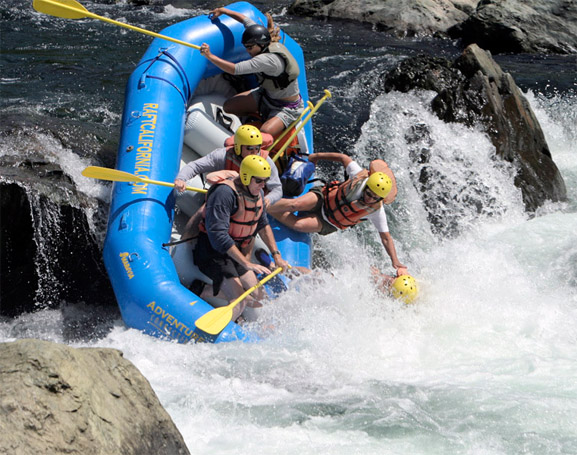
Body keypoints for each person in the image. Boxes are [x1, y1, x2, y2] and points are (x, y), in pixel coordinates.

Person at [268, 152, 410, 276]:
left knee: (298, 225)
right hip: (323, 197)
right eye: (369, 194)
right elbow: (343, 158)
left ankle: (266, 210)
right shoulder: (358, 175)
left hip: (327, 221)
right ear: (366, 186)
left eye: (375, 198)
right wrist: (316, 156)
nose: (370, 199)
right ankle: (263, 203)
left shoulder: (376, 210)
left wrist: (395, 261)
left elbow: (386, 238)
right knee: (295, 204)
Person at [193, 155, 289, 322]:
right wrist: (246, 263)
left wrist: (276, 255)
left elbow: (263, 225)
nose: (263, 185)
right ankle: (221, 334)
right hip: (212, 252)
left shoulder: (257, 193)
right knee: (239, 301)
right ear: (245, 177)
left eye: (265, 181)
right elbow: (218, 236)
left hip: (232, 252)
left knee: (261, 299)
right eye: (259, 181)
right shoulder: (224, 193)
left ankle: (203, 290)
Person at [200, 7, 304, 137]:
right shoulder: (262, 37)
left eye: (249, 47)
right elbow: (245, 20)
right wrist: (223, 10)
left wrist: (209, 56)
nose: (247, 51)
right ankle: (256, 117)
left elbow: (235, 69)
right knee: (228, 107)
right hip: (266, 95)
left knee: (264, 133)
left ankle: (273, 125)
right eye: (246, 47)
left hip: (286, 107)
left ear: (261, 44)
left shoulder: (267, 60)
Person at [174, 124, 282, 207]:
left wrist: (268, 199)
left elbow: (277, 189)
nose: (255, 152)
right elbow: (195, 166)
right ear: (238, 147)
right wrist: (181, 179)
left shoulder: (265, 161)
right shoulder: (223, 155)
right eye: (249, 148)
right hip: (227, 198)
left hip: (254, 203)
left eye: (257, 148)